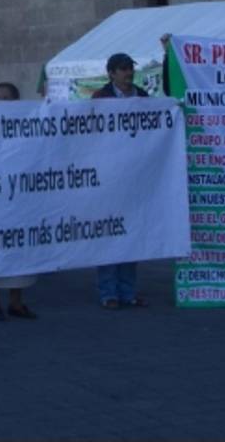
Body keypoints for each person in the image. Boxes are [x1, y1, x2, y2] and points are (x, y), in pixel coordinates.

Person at [91, 53, 148, 309]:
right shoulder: (100, 98)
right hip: (108, 176)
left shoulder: (143, 96)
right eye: (123, 69)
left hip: (135, 175)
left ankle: (128, 291)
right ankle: (108, 293)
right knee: (108, 234)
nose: (129, 73)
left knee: (131, 235)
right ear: (111, 73)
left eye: (130, 68)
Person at [0, 82, 39, 320]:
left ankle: (16, 301)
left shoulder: (27, 124)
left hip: (20, 196)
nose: (1, 102)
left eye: (6, 98)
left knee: (19, 250)